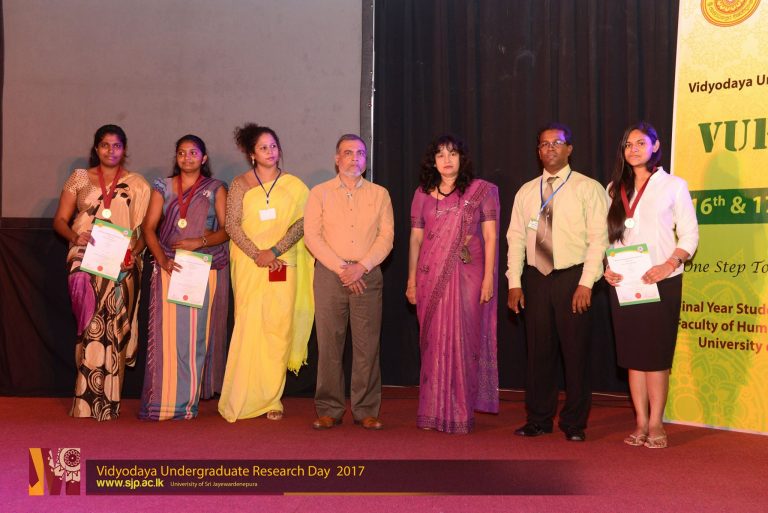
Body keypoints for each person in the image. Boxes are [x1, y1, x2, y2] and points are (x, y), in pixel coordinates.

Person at [506, 122, 609, 441]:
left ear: (569, 149)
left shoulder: (588, 188)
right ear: (538, 151)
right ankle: (538, 419)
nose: (549, 148)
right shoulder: (526, 191)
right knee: (538, 353)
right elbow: (515, 238)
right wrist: (514, 282)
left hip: (573, 278)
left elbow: (599, 239)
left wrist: (586, 283)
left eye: (556, 143)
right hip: (536, 279)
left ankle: (574, 423)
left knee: (575, 355)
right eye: (543, 144)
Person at [603, 122, 698, 449]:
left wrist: (669, 264)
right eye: (628, 144)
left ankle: (657, 423)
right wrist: (608, 267)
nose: (633, 149)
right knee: (634, 357)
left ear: (655, 146)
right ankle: (640, 422)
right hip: (625, 283)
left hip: (662, 281)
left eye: (640, 143)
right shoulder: (614, 188)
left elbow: (690, 234)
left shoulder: (673, 185)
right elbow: (611, 238)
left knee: (655, 357)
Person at [52, 124, 150, 420]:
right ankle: (85, 399)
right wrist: (74, 237)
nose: (111, 150)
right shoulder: (80, 178)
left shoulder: (137, 184)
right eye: (105, 145)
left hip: (121, 260)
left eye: (117, 145)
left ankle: (108, 402)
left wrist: (132, 254)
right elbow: (60, 220)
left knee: (114, 326)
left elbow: (143, 232)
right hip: (84, 257)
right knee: (91, 323)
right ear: (96, 148)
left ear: (124, 149)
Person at [218, 123, 314, 422]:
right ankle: (242, 395)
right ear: (252, 154)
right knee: (249, 326)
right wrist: (256, 253)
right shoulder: (240, 184)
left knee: (278, 328)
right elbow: (232, 225)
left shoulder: (295, 186)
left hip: (283, 263)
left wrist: (274, 251)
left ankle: (272, 398)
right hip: (249, 264)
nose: (270, 152)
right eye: (263, 148)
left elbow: (303, 222)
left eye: (273, 146)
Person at [406, 134, 499, 434]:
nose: (447, 160)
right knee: (433, 344)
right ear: (433, 161)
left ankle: (460, 412)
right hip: (429, 277)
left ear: (462, 158)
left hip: (468, 276)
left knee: (463, 340)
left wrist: (489, 278)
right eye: (440, 155)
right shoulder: (422, 194)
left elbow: (490, 237)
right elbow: (416, 239)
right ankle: (432, 411)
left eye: (453, 154)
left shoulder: (480, 191)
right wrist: (410, 280)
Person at [304, 134, 394, 430]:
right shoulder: (319, 193)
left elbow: (386, 237)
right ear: (336, 159)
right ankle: (329, 408)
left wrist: (361, 267)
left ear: (366, 160)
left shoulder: (380, 194)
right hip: (330, 275)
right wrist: (344, 269)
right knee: (329, 345)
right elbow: (312, 236)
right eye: (348, 153)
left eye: (360, 153)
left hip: (367, 275)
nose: (354, 158)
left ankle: (365, 409)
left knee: (367, 346)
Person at [138, 134, 230, 420]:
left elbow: (227, 231)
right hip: (170, 268)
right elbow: (148, 228)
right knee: (167, 338)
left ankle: (187, 404)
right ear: (176, 157)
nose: (187, 157)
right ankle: (162, 400)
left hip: (203, 269)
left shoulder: (215, 188)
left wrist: (198, 242)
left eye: (193, 153)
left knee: (195, 338)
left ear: (203, 158)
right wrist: (163, 260)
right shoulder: (162, 186)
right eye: (181, 153)